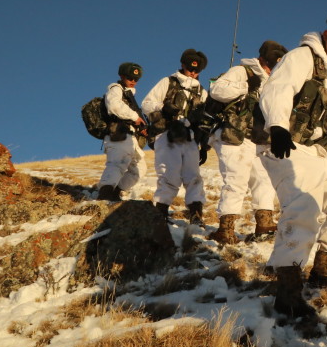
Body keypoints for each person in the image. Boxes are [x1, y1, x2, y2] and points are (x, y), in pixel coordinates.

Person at [255, 9, 327, 319]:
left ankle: (324, 271)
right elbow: (277, 89)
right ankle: (288, 293)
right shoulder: (301, 57)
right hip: (286, 146)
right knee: (303, 209)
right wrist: (278, 126)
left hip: (319, 154)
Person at [207, 40, 288, 244]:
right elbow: (216, 90)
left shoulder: (274, 81)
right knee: (236, 180)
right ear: (261, 59)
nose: (272, 69)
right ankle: (225, 230)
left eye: (275, 65)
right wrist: (244, 87)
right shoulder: (242, 72)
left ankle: (264, 224)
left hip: (258, 139)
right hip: (234, 136)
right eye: (270, 64)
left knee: (264, 179)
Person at [141, 48, 209, 225]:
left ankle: (195, 215)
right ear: (182, 65)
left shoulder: (202, 92)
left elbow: (206, 120)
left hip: (190, 138)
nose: (193, 73)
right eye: (190, 68)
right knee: (169, 175)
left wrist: (204, 145)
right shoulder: (168, 82)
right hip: (167, 134)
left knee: (194, 177)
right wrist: (164, 108)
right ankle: (160, 213)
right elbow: (147, 103)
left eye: (197, 70)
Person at [96, 62, 147, 201]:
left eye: (136, 79)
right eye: (130, 78)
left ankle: (115, 192)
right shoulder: (116, 89)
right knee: (116, 165)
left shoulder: (129, 95)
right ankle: (104, 196)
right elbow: (114, 105)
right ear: (122, 76)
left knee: (139, 169)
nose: (133, 81)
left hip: (130, 138)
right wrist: (135, 117)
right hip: (118, 133)